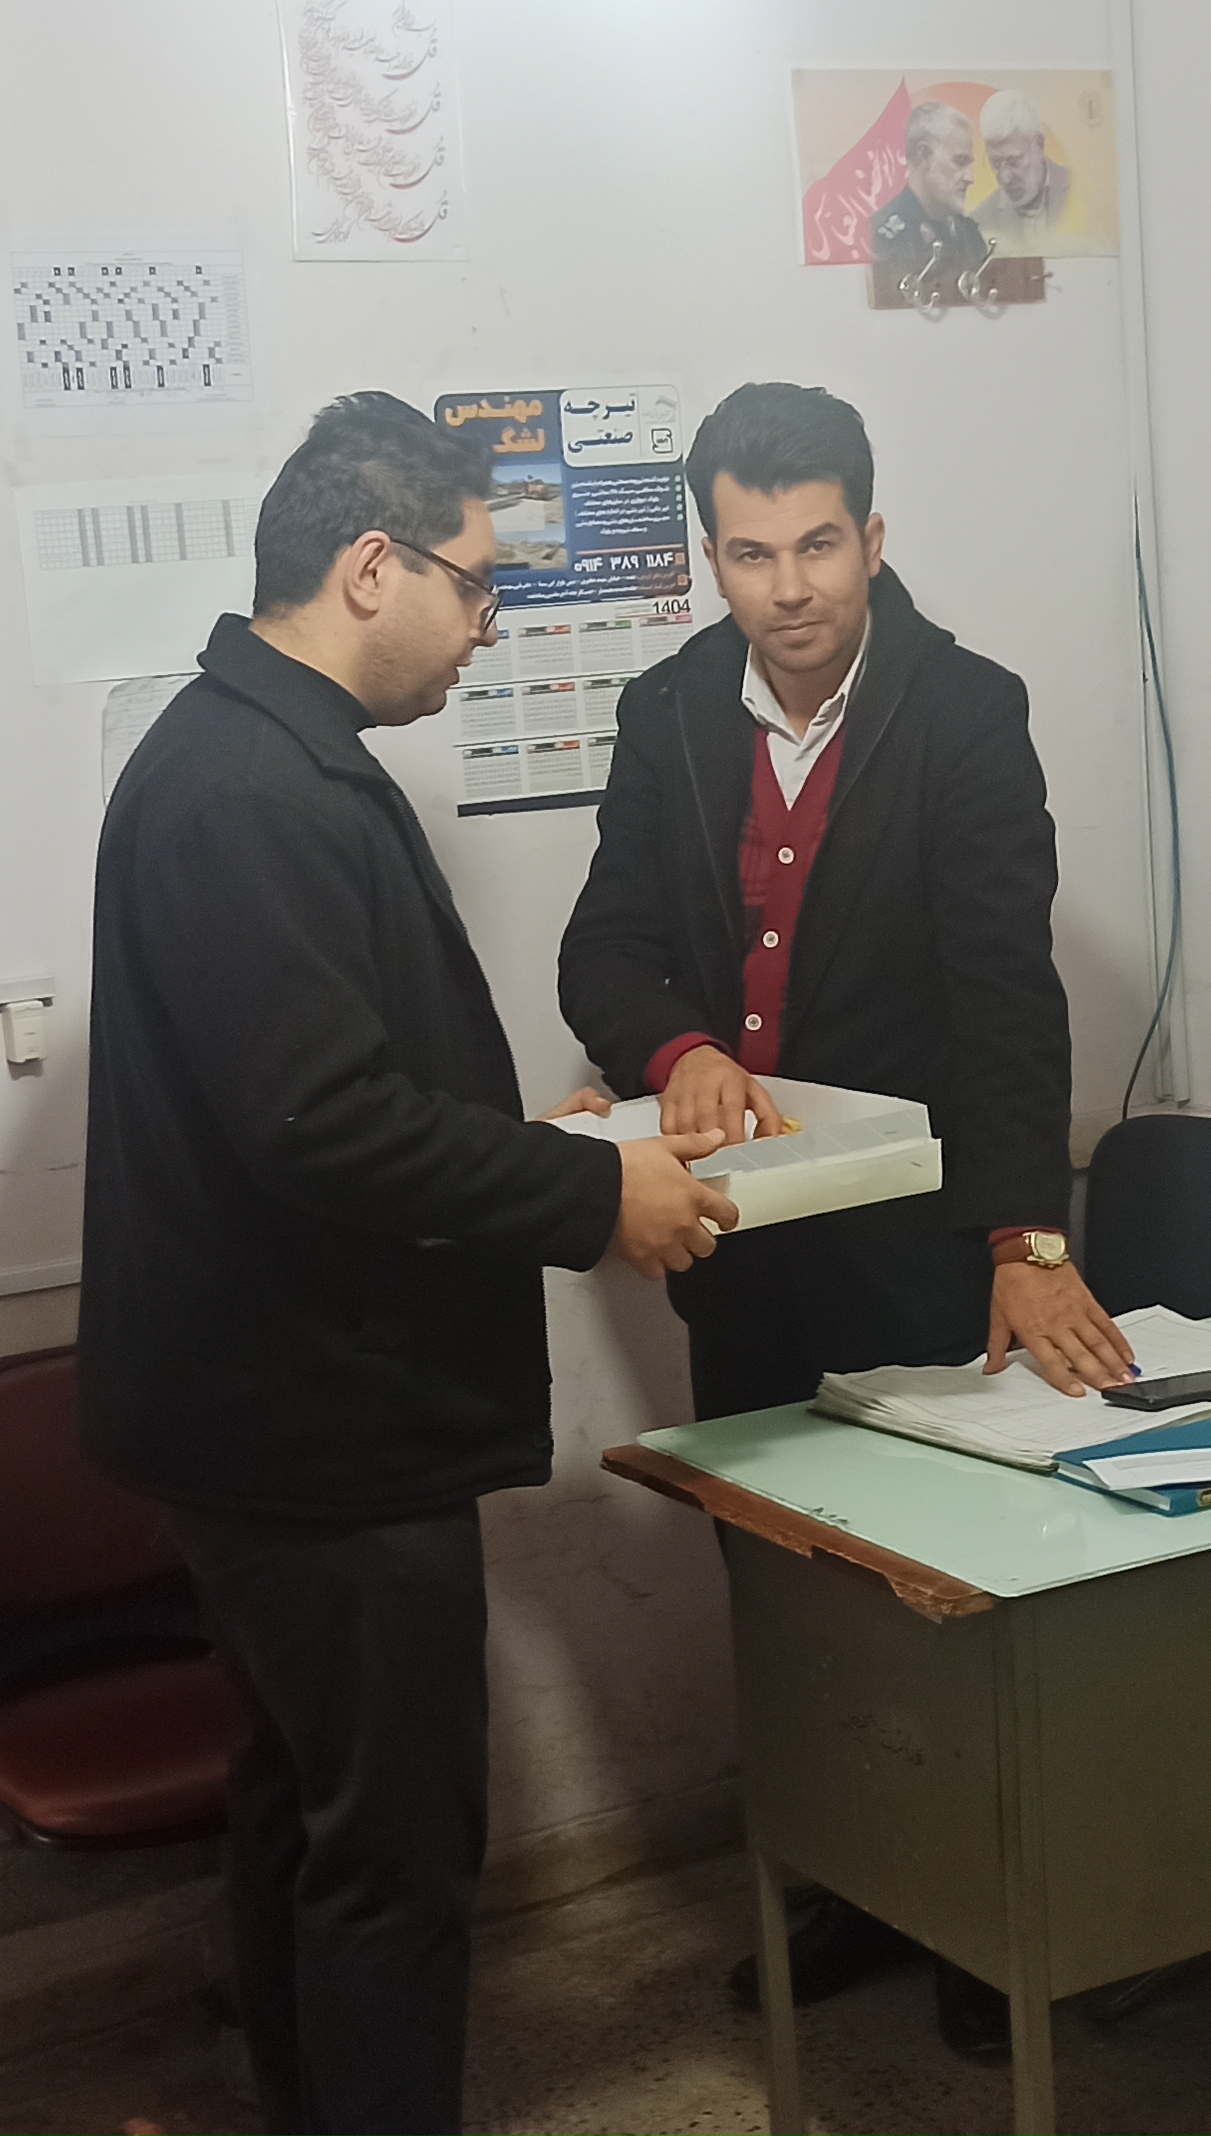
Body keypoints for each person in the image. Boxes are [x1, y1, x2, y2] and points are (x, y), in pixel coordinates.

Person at [82, 390, 742, 2136]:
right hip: (317, 1430)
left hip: (276, 1412)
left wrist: (539, 1139)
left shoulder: (257, 752)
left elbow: (327, 1089)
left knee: (303, 1820)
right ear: (372, 567)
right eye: (475, 584)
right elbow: (321, 1129)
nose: (487, 624)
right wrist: (592, 1196)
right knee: (387, 1863)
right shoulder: (252, 792)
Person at [556, 380, 1133, 2055]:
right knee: (786, 1589)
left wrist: (1027, 1241)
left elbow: (1006, 998)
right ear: (710, 557)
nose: (790, 586)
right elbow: (603, 947)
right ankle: (841, 1887)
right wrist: (676, 1051)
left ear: (872, 539)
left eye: (818, 544)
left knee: (943, 1595)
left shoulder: (965, 711)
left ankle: (985, 1921)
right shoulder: (669, 710)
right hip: (739, 1250)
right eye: (751, 552)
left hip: (917, 1249)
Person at [869, 99, 989, 308]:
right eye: (959, 162)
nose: (970, 178)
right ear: (923, 155)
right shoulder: (884, 236)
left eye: (969, 164)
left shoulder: (968, 233)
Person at [970, 89, 1080, 255]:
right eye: (995, 163)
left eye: (1014, 162)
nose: (1005, 177)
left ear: (1039, 144)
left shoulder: (1082, 190)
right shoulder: (981, 221)